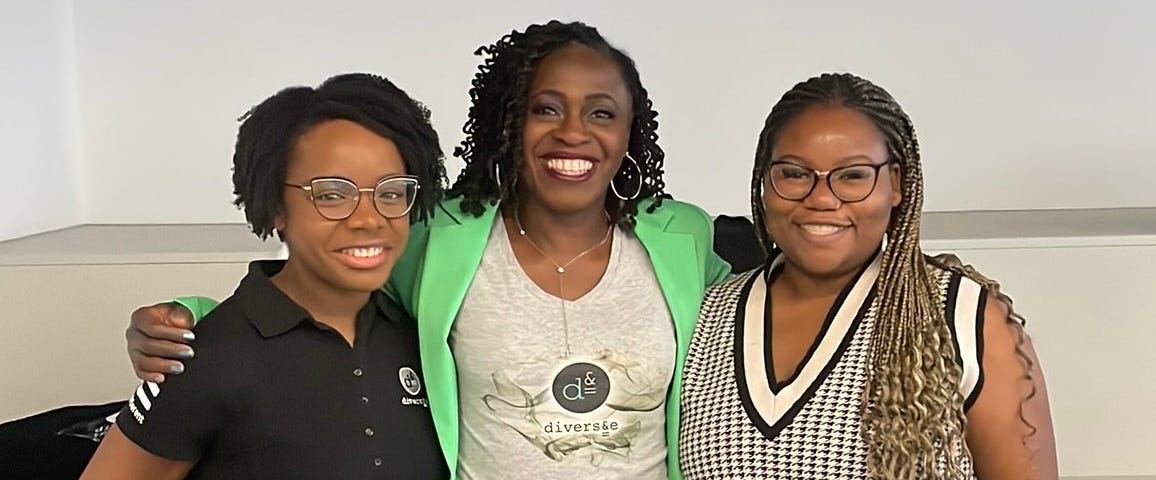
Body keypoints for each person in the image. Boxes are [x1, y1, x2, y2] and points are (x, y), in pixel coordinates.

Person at [123, 21, 730, 480]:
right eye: (545, 108)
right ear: (508, 123)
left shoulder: (682, 238)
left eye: (602, 112)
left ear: (630, 133)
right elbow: (320, 283)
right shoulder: (440, 237)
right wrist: (192, 317)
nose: (574, 131)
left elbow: (753, 308)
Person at [677, 72, 1058, 479]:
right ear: (764, 181)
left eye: (853, 175)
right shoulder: (703, 317)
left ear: (895, 183)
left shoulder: (964, 317)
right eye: (794, 173)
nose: (821, 198)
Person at [81, 73, 450, 479]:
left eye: (391, 192)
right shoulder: (205, 356)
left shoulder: (422, 339)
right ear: (276, 205)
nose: (369, 218)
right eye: (332, 194)